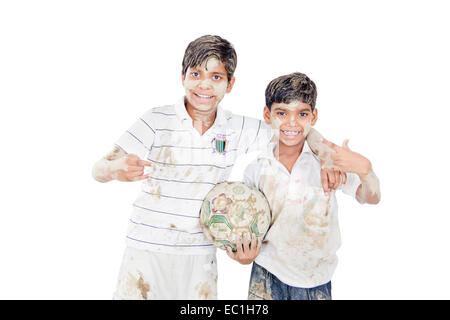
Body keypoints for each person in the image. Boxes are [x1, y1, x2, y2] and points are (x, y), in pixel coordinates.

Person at [92, 36, 342, 300]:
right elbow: (99, 168)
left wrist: (326, 155)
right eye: (196, 73)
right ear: (183, 76)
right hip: (146, 248)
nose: (204, 85)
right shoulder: (156, 119)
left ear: (230, 84)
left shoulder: (236, 128)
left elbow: (293, 130)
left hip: (200, 255)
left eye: (215, 77)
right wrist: (115, 169)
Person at [226, 72, 381, 300]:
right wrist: (243, 255)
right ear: (267, 115)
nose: (291, 122)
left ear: (314, 116)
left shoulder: (328, 163)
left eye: (302, 114)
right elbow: (242, 225)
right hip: (266, 274)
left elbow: (371, 197)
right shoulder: (257, 169)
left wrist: (365, 169)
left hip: (315, 279)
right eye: (282, 113)